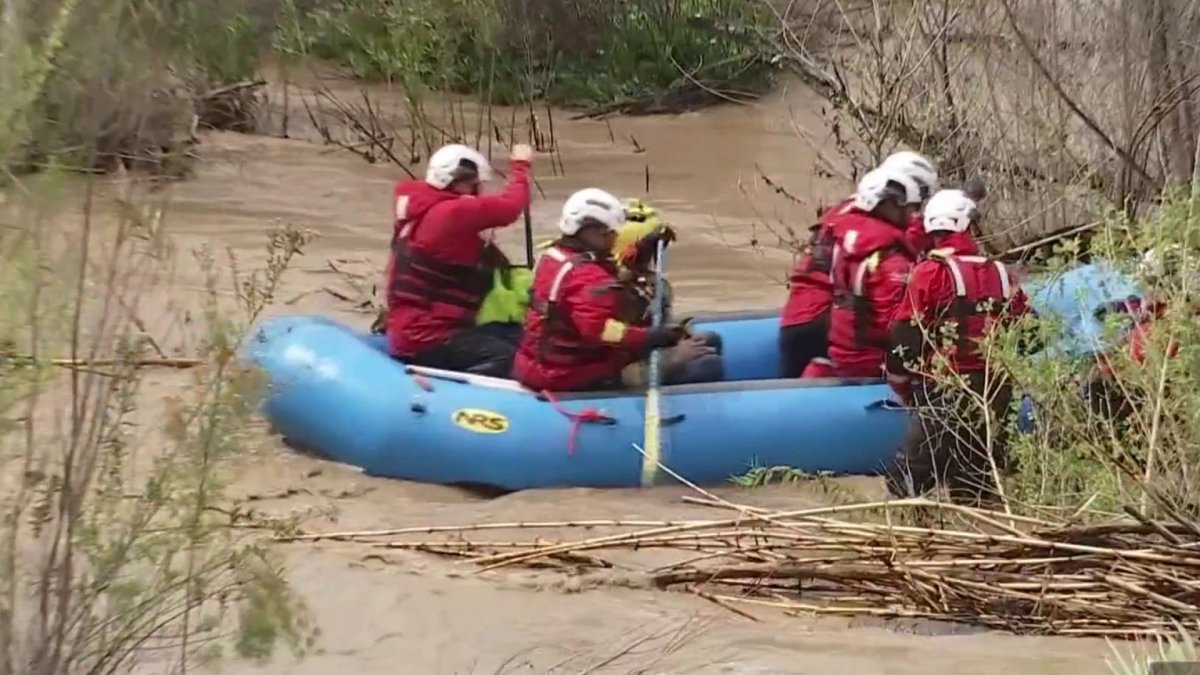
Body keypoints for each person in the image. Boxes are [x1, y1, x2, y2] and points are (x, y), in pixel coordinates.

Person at [882, 189, 1031, 505]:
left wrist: (903, 387)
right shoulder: (1003, 275)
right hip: (995, 392)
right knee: (975, 481)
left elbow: (904, 338)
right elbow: (1031, 335)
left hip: (948, 390)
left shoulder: (930, 273)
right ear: (969, 226)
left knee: (906, 477)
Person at [513, 188, 722, 392]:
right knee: (708, 365)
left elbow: (597, 289)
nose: (614, 238)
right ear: (595, 231)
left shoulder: (554, 256)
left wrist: (637, 259)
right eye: (610, 233)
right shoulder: (588, 276)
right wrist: (652, 337)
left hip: (549, 362)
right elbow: (600, 331)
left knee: (710, 341)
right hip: (569, 373)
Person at [779, 151, 939, 377]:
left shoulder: (849, 212)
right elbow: (892, 258)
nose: (917, 209)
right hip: (822, 319)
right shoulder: (873, 236)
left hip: (799, 315)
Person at [384, 142, 533, 377]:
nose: (478, 191)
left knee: (516, 334)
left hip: (413, 329)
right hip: (428, 337)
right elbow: (511, 207)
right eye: (475, 185)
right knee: (510, 357)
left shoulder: (419, 209)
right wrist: (521, 167)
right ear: (462, 182)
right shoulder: (453, 213)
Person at [806, 165, 926, 378]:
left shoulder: (848, 241)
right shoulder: (890, 259)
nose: (913, 215)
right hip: (871, 362)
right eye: (909, 208)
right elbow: (896, 327)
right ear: (888, 205)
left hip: (843, 352)